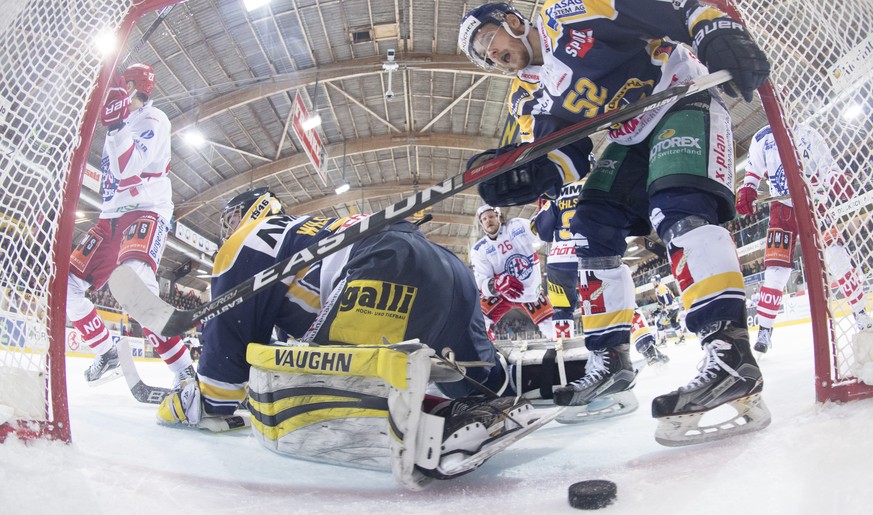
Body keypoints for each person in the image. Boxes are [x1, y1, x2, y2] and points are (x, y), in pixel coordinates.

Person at [458, 1, 772, 445]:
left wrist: (712, 29)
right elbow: (567, 154)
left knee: (677, 209)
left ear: (512, 20)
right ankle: (611, 361)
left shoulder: (566, 11)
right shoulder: (526, 96)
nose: (490, 55)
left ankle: (729, 353)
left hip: (683, 97)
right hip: (629, 136)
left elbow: (669, 8)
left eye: (487, 41)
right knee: (589, 227)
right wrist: (522, 174)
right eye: (482, 55)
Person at [156, 188, 567, 481]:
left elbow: (223, 379)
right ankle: (531, 382)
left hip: (383, 269)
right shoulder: (301, 231)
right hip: (445, 267)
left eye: (230, 220)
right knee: (477, 375)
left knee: (318, 377)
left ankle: (438, 420)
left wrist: (194, 400)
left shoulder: (244, 245)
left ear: (245, 214)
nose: (228, 230)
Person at [67, 63, 194, 386]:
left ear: (136, 88)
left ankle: (184, 373)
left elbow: (127, 167)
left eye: (122, 87)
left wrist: (117, 124)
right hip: (110, 217)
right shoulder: (122, 119)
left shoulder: (153, 119)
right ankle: (107, 352)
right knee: (67, 286)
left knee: (137, 290)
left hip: (145, 210)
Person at [736, 124, 872, 353]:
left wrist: (836, 179)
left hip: (815, 202)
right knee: (775, 272)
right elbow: (752, 171)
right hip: (782, 207)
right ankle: (765, 331)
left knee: (836, 257)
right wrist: (747, 187)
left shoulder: (809, 131)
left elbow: (827, 166)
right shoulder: (761, 136)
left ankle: (860, 312)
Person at [470, 204, 556, 340]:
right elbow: (482, 283)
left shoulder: (516, 225)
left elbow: (539, 234)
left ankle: (561, 351)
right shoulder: (479, 249)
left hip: (530, 289)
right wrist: (496, 284)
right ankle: (484, 345)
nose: (488, 220)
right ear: (481, 224)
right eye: (484, 219)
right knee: (477, 319)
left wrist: (546, 214)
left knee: (552, 327)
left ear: (498, 217)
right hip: (503, 293)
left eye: (491, 216)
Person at [651, 275, 686, 345]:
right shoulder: (658, 288)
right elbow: (660, 302)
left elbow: (668, 301)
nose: (653, 283)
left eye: (654, 282)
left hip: (671, 308)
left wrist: (666, 310)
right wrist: (658, 310)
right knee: (674, 324)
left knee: (659, 324)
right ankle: (682, 338)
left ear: (658, 281)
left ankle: (663, 341)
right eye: (652, 282)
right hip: (674, 307)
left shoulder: (661, 287)